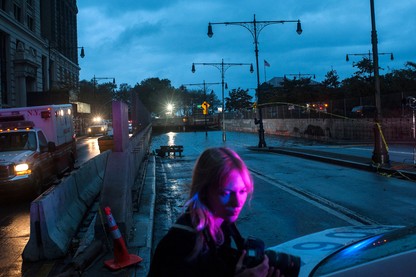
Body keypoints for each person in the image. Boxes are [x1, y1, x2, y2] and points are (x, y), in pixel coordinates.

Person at [148, 147, 279, 277]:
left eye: (242, 191)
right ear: (204, 191)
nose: (237, 202)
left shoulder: (222, 225)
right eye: (226, 193)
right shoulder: (180, 245)